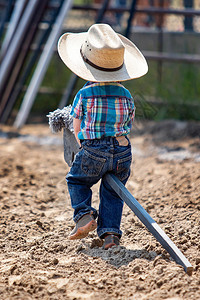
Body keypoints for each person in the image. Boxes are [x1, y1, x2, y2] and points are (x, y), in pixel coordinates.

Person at [57, 23, 148, 249]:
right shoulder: (126, 94)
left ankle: (85, 216)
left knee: (76, 180)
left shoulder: (85, 93)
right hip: (122, 150)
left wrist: (83, 145)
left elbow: (76, 122)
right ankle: (110, 236)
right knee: (113, 192)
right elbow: (128, 122)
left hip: (93, 150)